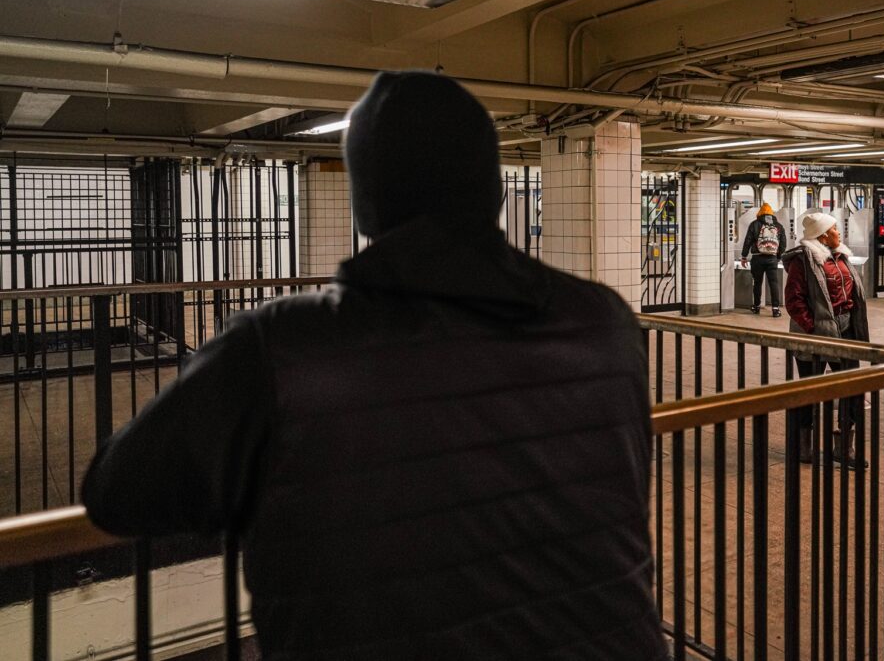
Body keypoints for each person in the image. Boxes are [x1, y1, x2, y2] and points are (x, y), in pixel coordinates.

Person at [83, 71, 667, 661]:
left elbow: (117, 492)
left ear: (366, 206)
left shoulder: (283, 349)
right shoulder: (605, 323)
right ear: (496, 193)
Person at [782, 212, 870, 468]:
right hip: (813, 336)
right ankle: (804, 447)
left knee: (851, 389)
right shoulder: (803, 260)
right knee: (811, 390)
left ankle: (844, 448)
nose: (838, 232)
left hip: (845, 332)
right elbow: (794, 301)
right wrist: (815, 329)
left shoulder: (840, 256)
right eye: (834, 229)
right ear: (822, 235)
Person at [741, 202, 788, 317]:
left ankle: (756, 307)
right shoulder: (778, 226)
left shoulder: (754, 224)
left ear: (760, 213)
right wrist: (777, 256)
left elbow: (747, 241)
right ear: (771, 213)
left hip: (757, 258)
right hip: (772, 259)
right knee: (774, 283)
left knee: (757, 283)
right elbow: (783, 244)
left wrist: (744, 256)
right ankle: (775, 309)